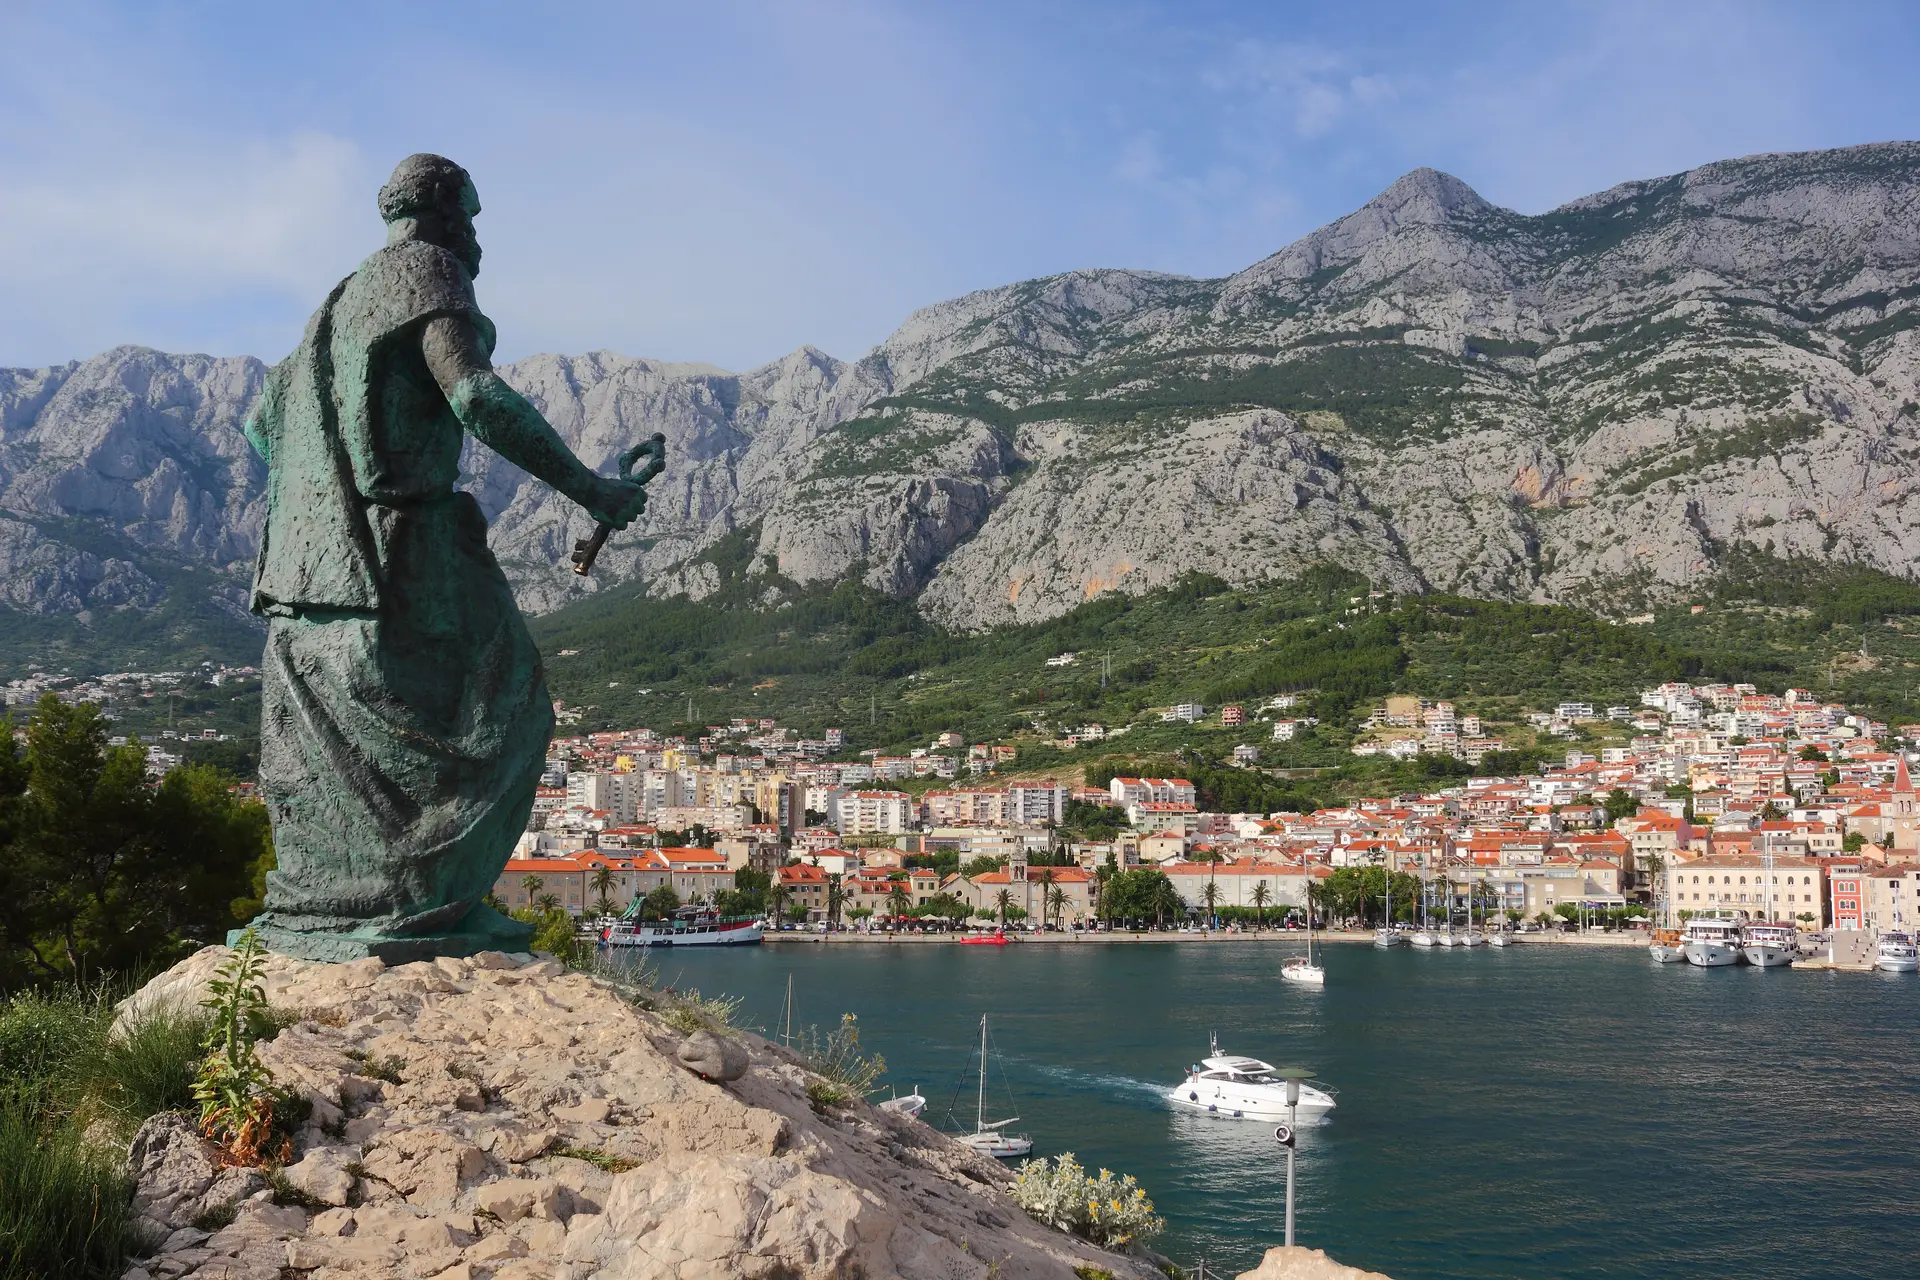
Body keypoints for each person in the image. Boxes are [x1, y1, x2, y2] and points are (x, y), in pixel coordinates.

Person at [240, 154, 650, 962]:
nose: (476, 237)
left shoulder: (334, 305)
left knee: (364, 746)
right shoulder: (428, 272)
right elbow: (473, 395)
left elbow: (262, 427)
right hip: (408, 549)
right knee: (514, 709)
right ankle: (433, 905)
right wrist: (590, 489)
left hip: (308, 566)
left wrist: (335, 477)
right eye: (472, 215)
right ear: (443, 216)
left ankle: (375, 904)